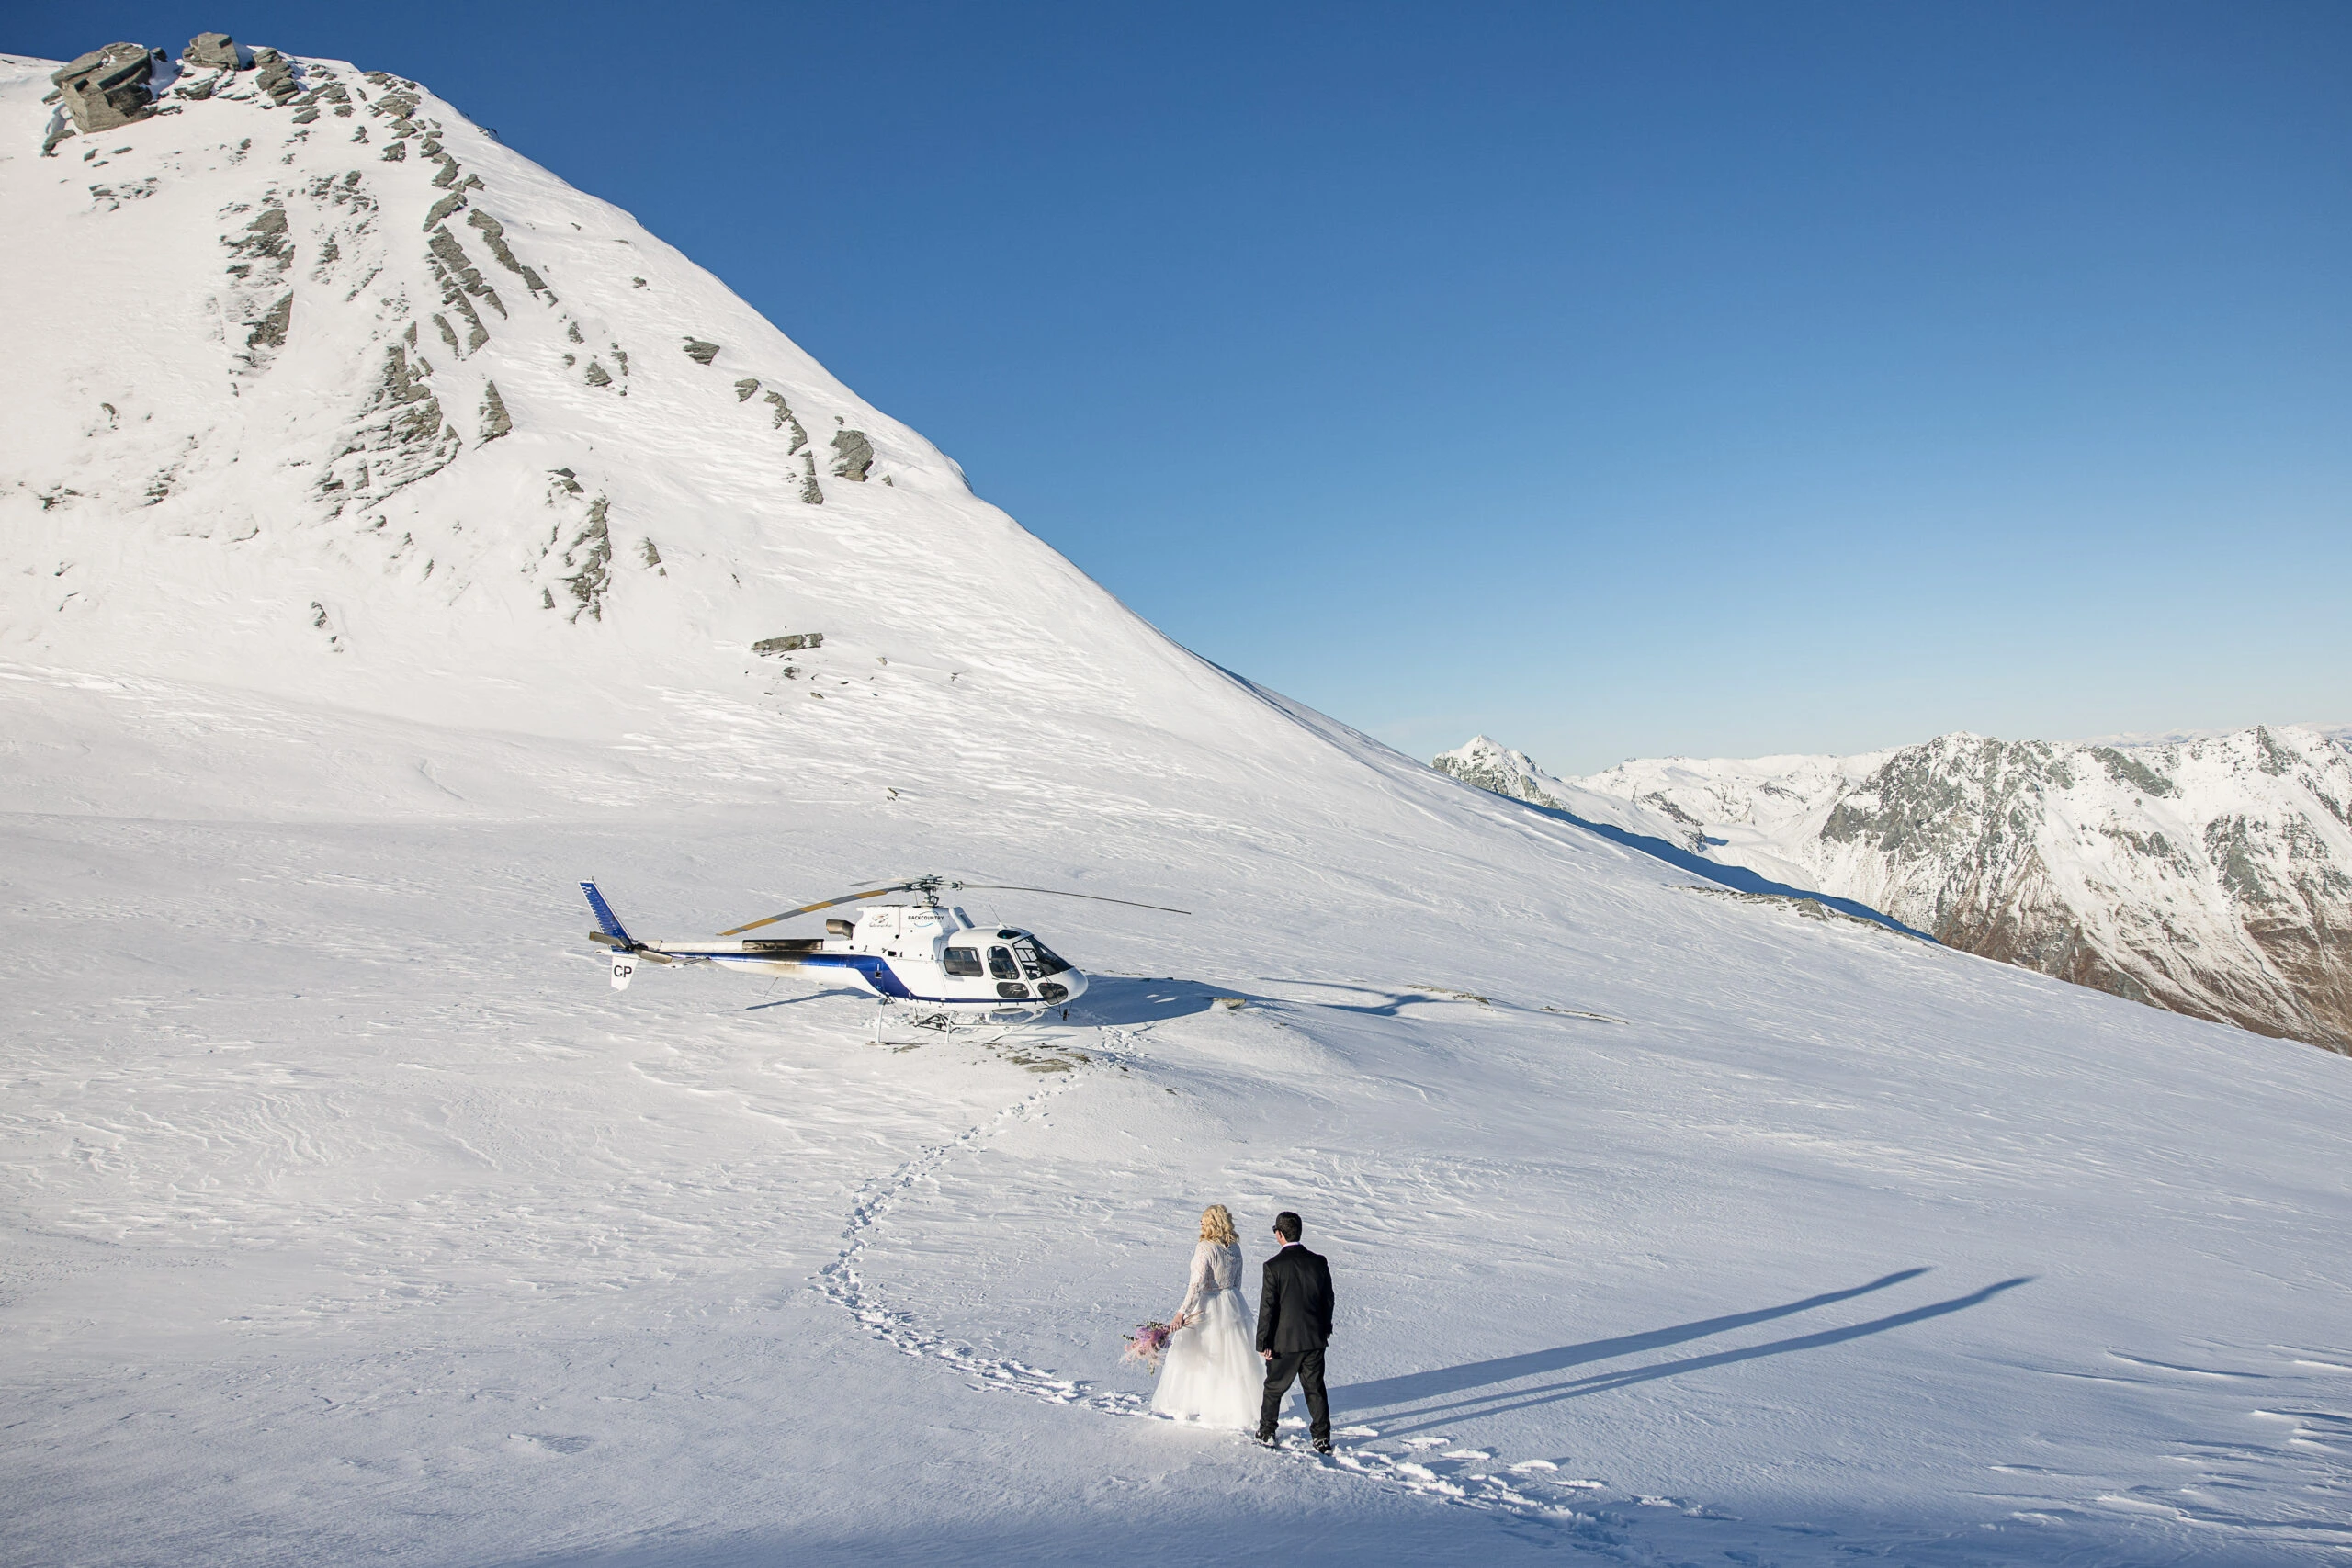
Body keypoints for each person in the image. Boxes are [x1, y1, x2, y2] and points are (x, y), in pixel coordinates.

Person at [1149, 1204, 1261, 1427]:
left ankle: (1200, 1404)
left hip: (1208, 1305)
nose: (1200, 1223)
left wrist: (1182, 1313)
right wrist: (1233, 1300)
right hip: (1234, 1303)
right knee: (1232, 1357)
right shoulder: (1235, 1248)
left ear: (1212, 1222)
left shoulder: (1205, 1247)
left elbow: (1196, 1284)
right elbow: (1237, 1281)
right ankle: (1234, 1405)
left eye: (1203, 1219)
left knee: (1201, 1356)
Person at [1255, 1210, 1335, 1452]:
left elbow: (1267, 1308)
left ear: (1279, 1234)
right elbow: (1328, 1300)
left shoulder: (1273, 1266)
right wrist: (1325, 1329)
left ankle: (1267, 1431)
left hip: (1284, 1342)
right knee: (1315, 1388)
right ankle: (1321, 1437)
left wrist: (1263, 1342)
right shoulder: (1318, 1261)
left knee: (1274, 1388)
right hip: (1314, 1340)